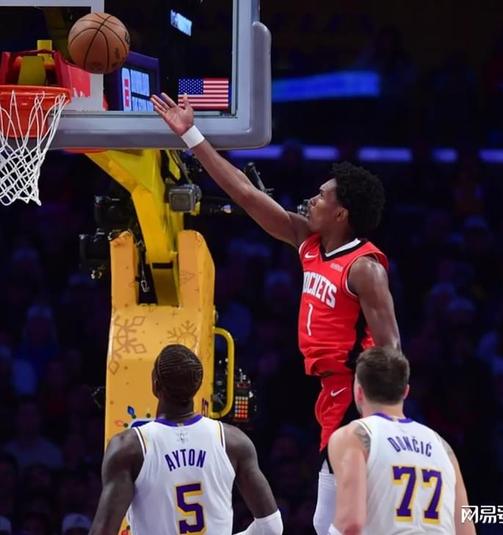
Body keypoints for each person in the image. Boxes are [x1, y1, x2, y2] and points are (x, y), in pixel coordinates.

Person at [151, 93, 401, 534]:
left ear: (341, 213)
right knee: (328, 520)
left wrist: (382, 418)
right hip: (329, 393)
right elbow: (246, 194)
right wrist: (191, 134)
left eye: (322, 196)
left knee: (341, 522)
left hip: (356, 396)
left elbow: (391, 349)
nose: (312, 199)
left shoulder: (364, 268)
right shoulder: (308, 242)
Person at [89, 344, 282, 535]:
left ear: (155, 384)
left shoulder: (128, 447)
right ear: (198, 386)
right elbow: (271, 528)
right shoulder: (234, 441)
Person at [327, 347, 475, 535]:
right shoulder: (443, 446)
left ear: (358, 392)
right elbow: (467, 530)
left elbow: (351, 523)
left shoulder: (354, 435)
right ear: (405, 391)